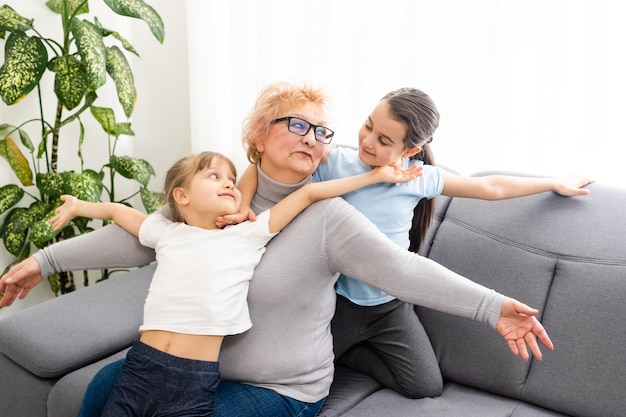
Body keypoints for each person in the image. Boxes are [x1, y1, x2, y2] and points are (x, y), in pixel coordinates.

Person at [0, 81, 554, 417]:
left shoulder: (329, 215)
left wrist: (493, 307)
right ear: (260, 135)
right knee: (101, 387)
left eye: (321, 131)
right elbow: (142, 231)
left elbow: (398, 267)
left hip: (280, 388)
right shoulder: (218, 198)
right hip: (190, 368)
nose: (314, 138)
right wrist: (42, 261)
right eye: (298, 126)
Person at [222, 87, 594, 399]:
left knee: (425, 386)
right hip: (342, 305)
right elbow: (263, 165)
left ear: (411, 150)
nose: (367, 141)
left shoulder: (420, 178)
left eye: (383, 140)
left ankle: (356, 354)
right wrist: (240, 205)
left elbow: (489, 187)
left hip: (390, 306)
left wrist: (552, 182)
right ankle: (345, 352)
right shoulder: (335, 163)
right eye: (368, 126)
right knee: (307, 369)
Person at [46, 150, 420, 416]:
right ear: (182, 195)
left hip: (193, 381)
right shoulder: (165, 231)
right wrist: (79, 206)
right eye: (214, 176)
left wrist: (373, 176)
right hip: (141, 366)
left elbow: (307, 194)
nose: (229, 184)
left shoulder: (248, 235)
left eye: (231, 179)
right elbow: (115, 211)